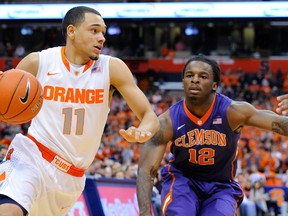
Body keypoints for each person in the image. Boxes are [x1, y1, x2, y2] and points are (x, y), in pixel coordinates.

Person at [0, 6, 159, 216]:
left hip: (72, 178)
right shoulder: (38, 62)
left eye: (103, 32)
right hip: (32, 156)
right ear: (71, 32)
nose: (101, 38)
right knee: (8, 211)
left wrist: (143, 131)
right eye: (94, 30)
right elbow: (7, 97)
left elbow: (150, 116)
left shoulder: (112, 68)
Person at [136, 54, 288, 216]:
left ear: (214, 85)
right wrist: (145, 214)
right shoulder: (168, 121)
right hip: (183, 181)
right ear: (183, 82)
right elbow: (145, 170)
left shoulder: (233, 111)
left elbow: (280, 125)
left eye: (203, 76)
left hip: (221, 185)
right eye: (189, 75)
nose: (195, 80)